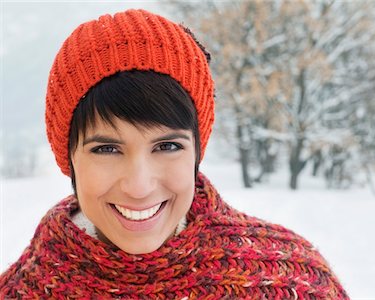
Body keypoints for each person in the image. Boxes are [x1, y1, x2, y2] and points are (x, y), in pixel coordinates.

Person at [0, 8, 349, 299]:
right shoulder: (18, 292)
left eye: (167, 146)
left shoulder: (293, 283)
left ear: (196, 151)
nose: (139, 186)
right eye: (107, 149)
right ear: (69, 157)